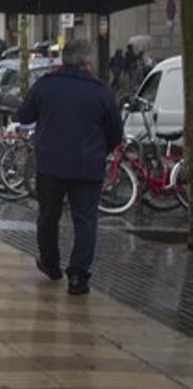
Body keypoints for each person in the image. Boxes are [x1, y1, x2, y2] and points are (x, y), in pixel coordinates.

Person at [16, 38, 122, 296]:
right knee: (85, 220)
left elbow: (23, 116)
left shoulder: (45, 86)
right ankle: (78, 275)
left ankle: (51, 264)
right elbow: (116, 132)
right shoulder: (101, 91)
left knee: (48, 216)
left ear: (64, 59)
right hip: (88, 166)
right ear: (87, 62)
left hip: (50, 165)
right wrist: (100, 150)